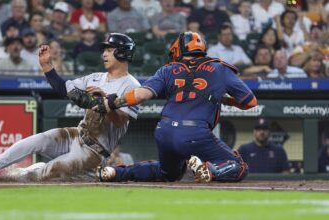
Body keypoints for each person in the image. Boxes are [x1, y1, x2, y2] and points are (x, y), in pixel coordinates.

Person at [0, 33, 141, 181]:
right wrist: (47, 66)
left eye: (109, 50)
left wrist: (105, 101)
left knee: (46, 173)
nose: (104, 54)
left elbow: (120, 122)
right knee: (39, 139)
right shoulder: (96, 77)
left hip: (94, 152)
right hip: (77, 135)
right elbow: (63, 89)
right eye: (105, 50)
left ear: (122, 52)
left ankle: (10, 179)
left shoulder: (132, 85)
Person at [95, 31, 257, 183]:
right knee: (239, 166)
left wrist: (112, 102)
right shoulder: (220, 69)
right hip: (195, 133)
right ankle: (210, 170)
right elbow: (250, 102)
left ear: (178, 50)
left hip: (164, 131)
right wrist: (228, 101)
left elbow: (141, 95)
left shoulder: (167, 70)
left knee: (169, 173)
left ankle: (116, 172)